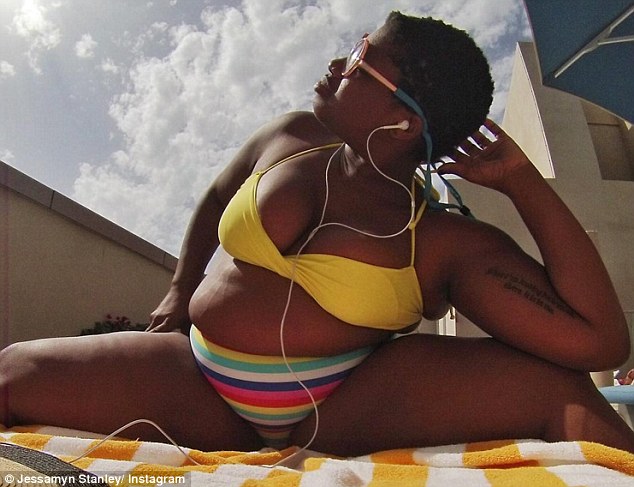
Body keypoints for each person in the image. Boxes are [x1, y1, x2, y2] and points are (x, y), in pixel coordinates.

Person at [2, 11, 634, 456]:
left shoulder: (443, 240)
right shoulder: (290, 136)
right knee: (12, 371)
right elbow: (218, 197)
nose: (338, 63)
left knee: (562, 392)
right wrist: (179, 288)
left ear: (403, 121)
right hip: (199, 381)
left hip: (342, 407)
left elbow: (599, 342)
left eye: (361, 61)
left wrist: (525, 184)